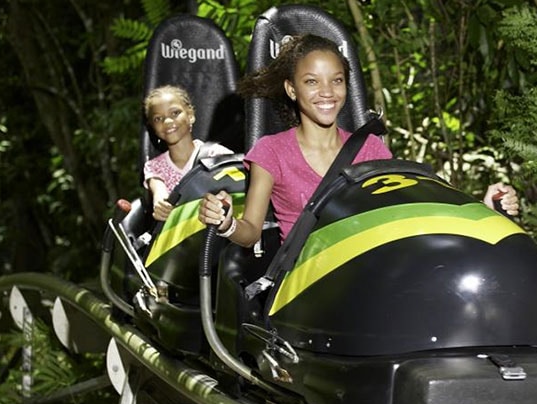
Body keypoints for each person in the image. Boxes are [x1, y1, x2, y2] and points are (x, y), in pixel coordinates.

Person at [198, 34, 519, 247]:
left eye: (336, 81)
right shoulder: (271, 151)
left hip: (369, 268)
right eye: (312, 82)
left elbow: (406, 213)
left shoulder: (371, 149)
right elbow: (252, 232)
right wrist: (227, 223)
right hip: (306, 280)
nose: (327, 92)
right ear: (292, 89)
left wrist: (483, 208)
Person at [143, 85, 234, 221]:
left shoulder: (217, 155)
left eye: (175, 113)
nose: (167, 121)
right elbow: (159, 190)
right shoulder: (154, 167)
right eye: (158, 119)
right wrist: (161, 205)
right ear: (153, 128)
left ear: (190, 116)